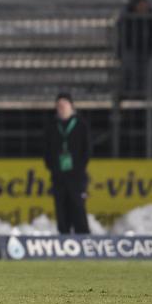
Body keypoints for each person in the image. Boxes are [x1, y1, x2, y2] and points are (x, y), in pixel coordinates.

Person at [42, 92, 91, 234]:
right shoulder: (52, 126)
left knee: (77, 207)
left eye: (64, 105)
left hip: (76, 176)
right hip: (59, 176)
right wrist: (53, 167)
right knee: (61, 210)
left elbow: (86, 150)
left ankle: (83, 239)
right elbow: (47, 150)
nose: (61, 108)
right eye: (59, 106)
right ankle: (64, 240)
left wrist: (78, 167)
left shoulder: (81, 125)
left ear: (71, 106)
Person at [118, 0, 152, 94]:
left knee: (148, 72)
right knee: (131, 71)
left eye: (144, 5)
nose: (143, 7)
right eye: (140, 5)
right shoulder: (128, 18)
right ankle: (131, 94)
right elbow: (125, 37)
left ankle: (146, 94)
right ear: (135, 6)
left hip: (148, 51)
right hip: (131, 50)